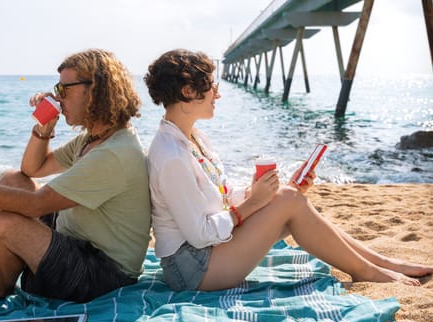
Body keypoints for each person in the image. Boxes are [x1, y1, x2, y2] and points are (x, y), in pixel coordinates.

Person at [143, 48, 433, 292]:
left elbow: (222, 196)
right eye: (211, 86)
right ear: (188, 91)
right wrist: (255, 202)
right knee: (288, 200)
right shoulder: (171, 156)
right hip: (193, 271)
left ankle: (381, 264)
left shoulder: (192, 138)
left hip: (210, 253)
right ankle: (366, 270)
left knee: (289, 196)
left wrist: (259, 192)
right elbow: (201, 234)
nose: (217, 95)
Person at [0, 49, 152, 303]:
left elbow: (36, 205)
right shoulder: (94, 138)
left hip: (101, 276)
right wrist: (44, 129)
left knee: (8, 222)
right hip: (80, 244)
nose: (57, 97)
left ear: (96, 90)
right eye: (57, 89)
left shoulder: (113, 153)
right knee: (14, 179)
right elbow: (32, 169)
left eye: (64, 89)